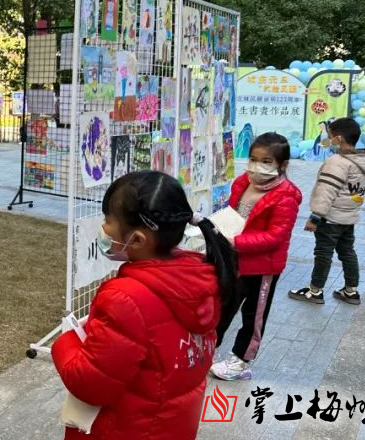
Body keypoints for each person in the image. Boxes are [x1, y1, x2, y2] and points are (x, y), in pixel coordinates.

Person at [51, 171, 237, 440]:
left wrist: (67, 341)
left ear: (138, 240)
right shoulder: (199, 279)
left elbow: (90, 385)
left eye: (107, 221)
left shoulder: (125, 299)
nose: (103, 228)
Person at [211, 133, 302, 381]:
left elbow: (276, 236)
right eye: (253, 159)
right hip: (234, 260)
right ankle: (208, 349)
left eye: (266, 161)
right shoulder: (243, 182)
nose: (256, 166)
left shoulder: (286, 196)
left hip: (262, 267)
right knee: (223, 305)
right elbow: (233, 214)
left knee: (254, 315)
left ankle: (241, 361)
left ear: (282, 165)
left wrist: (236, 241)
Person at [289, 118, 365, 305]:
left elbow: (326, 192)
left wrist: (315, 217)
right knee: (347, 253)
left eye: (330, 136)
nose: (328, 139)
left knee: (323, 253)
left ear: (338, 139)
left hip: (330, 219)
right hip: (349, 217)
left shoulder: (337, 162)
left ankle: (315, 291)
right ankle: (351, 291)